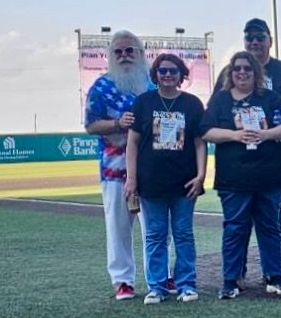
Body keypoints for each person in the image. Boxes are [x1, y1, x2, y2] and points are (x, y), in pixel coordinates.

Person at [200, 51, 281, 299]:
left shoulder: (270, 97)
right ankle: (231, 279)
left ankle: (274, 276)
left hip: (269, 175)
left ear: (256, 73)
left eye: (247, 68)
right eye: (237, 69)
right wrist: (235, 135)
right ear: (230, 74)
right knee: (235, 228)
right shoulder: (221, 100)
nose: (242, 73)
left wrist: (265, 134)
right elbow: (206, 131)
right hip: (234, 177)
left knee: (270, 227)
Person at [217, 18, 281, 283]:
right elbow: (210, 121)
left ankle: (272, 274)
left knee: (271, 218)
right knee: (237, 223)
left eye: (260, 37)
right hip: (237, 165)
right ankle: (236, 273)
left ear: (270, 41)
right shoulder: (226, 74)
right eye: (249, 38)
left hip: (274, 160)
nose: (255, 42)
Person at [125, 53, 206, 303]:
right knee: (155, 235)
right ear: (156, 75)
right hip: (152, 182)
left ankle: (186, 284)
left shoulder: (192, 104)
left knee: (183, 234)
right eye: (162, 71)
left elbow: (200, 142)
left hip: (185, 182)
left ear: (181, 74)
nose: (168, 75)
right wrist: (131, 179)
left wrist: (201, 175)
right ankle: (157, 286)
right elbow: (133, 143)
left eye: (173, 71)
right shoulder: (143, 103)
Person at [84, 30, 152, 300]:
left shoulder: (153, 84)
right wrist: (116, 124)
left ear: (140, 54)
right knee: (118, 226)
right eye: (118, 52)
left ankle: (159, 276)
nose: (124, 56)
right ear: (111, 56)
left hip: (152, 167)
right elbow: (90, 125)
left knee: (157, 225)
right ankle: (122, 280)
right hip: (115, 168)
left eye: (129, 51)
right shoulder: (101, 87)